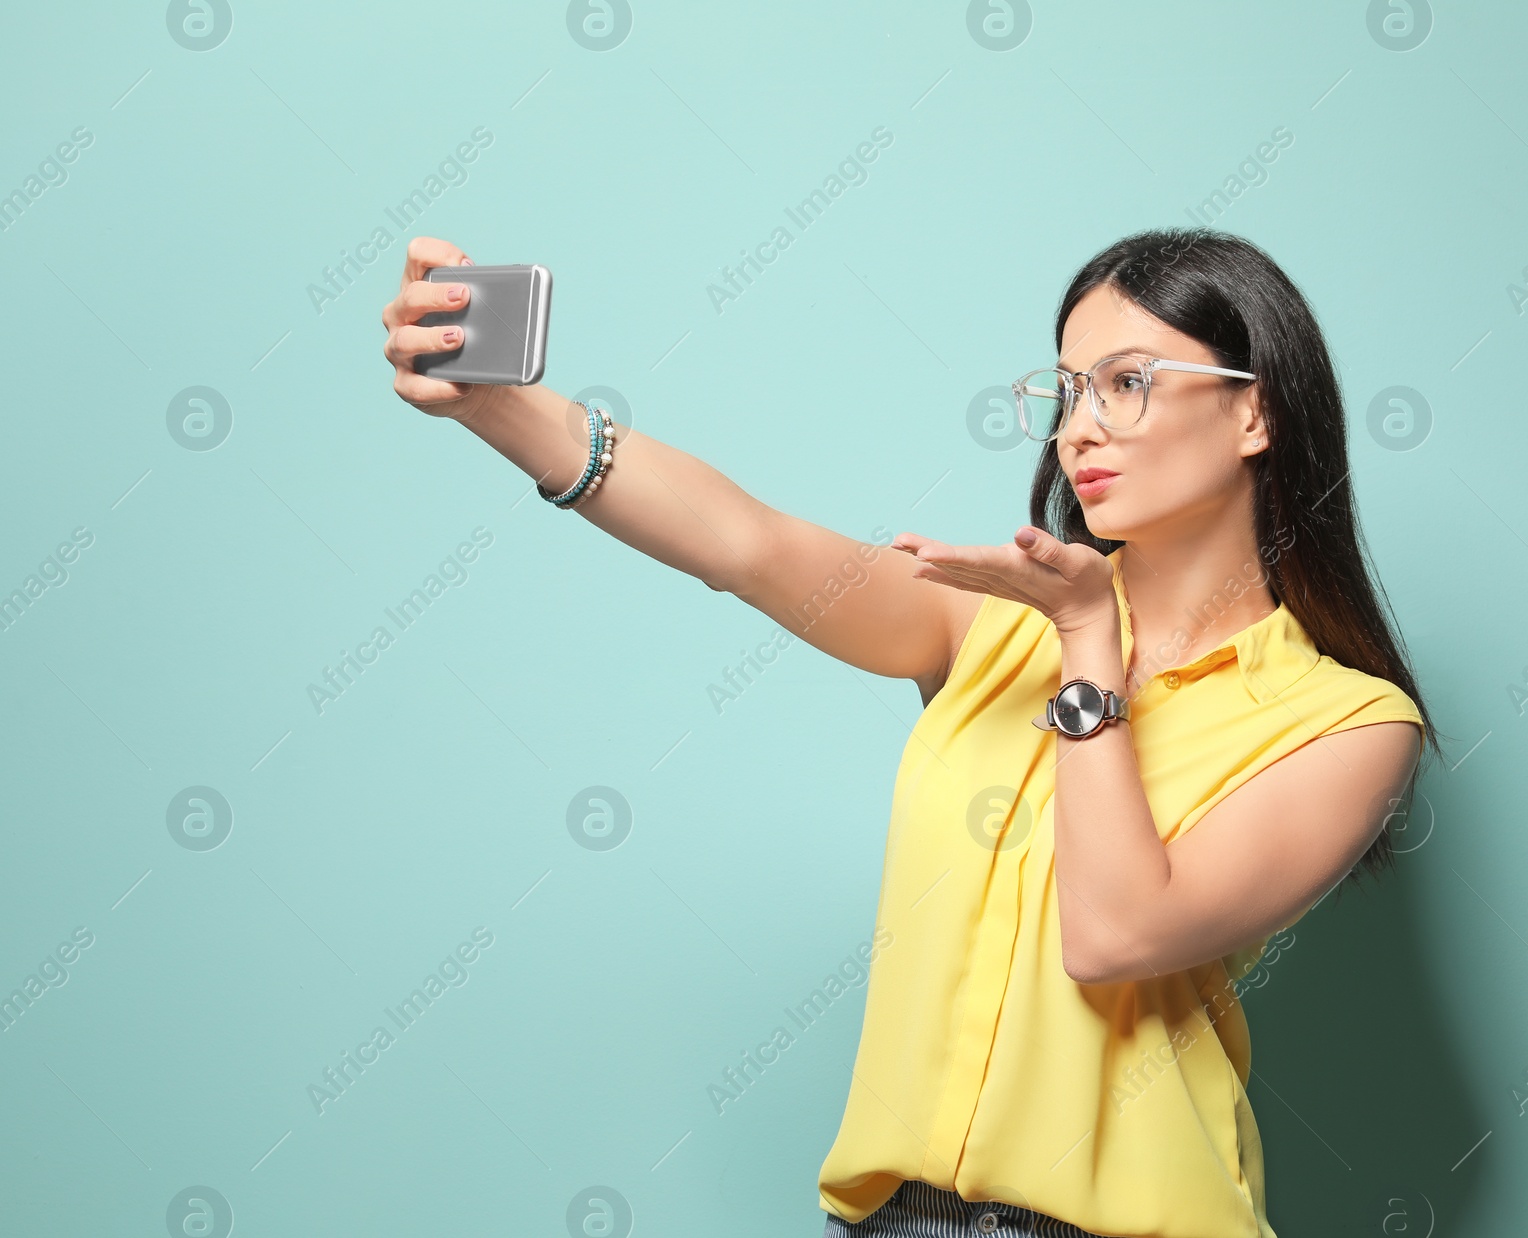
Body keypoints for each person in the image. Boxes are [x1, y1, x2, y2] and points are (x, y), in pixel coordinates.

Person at [380, 228, 1440, 1238]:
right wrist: (499, 409)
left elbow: (1113, 934)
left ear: (1254, 416)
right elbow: (746, 542)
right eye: (1066, 391)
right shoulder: (983, 627)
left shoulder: (1345, 723)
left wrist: (1083, 637)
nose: (1079, 427)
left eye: (1127, 382)